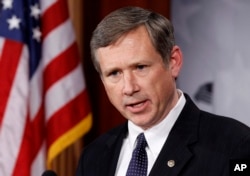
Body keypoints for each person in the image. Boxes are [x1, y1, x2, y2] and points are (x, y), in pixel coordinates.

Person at [76, 6, 250, 176]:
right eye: (114, 73)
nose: (129, 88)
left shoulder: (235, 145)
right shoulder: (93, 157)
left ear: (173, 62)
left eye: (140, 67)